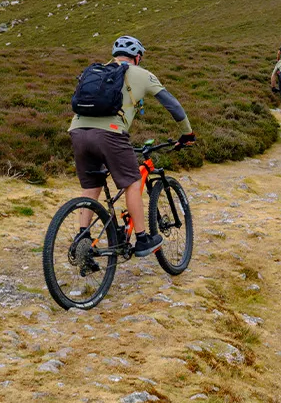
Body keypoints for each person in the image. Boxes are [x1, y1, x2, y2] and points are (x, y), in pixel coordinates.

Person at [69, 35, 196, 257]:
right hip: (110, 133)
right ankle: (143, 239)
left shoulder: (96, 71)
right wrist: (187, 133)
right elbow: (173, 106)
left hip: (77, 131)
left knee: (91, 186)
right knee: (133, 183)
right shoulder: (142, 74)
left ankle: (83, 239)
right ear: (137, 57)